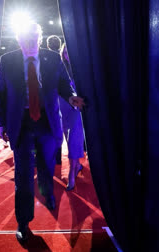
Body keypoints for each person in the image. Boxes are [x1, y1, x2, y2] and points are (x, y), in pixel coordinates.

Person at [0, 23, 85, 243]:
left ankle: (48, 192)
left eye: (33, 40)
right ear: (18, 41)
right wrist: (1, 124)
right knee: (23, 174)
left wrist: (71, 97)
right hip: (21, 122)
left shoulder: (52, 58)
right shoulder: (8, 61)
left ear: (39, 38)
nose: (30, 45)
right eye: (25, 41)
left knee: (46, 164)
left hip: (47, 120)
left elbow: (64, 84)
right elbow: (1, 94)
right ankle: (23, 221)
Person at [59, 43, 85, 191]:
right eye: (65, 51)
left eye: (70, 51)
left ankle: (72, 174)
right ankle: (76, 165)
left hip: (75, 109)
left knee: (73, 140)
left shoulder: (80, 69)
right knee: (68, 142)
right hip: (61, 109)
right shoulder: (59, 68)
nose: (67, 54)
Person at [46, 35, 64, 164]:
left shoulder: (44, 58)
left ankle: (53, 156)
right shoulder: (62, 57)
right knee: (59, 126)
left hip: (51, 97)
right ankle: (57, 157)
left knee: (51, 126)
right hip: (63, 96)